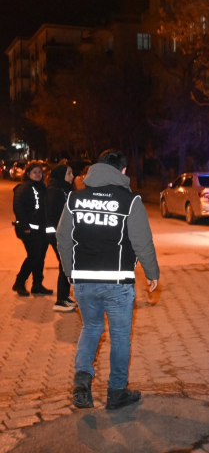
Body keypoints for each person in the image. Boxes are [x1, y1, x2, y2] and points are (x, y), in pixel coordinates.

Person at [57, 150, 159, 410]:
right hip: (117, 282)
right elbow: (142, 242)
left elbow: (63, 237)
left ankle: (82, 380)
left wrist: (70, 271)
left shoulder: (75, 198)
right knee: (120, 336)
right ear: (122, 171)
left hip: (83, 281)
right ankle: (116, 392)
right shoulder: (130, 201)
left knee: (91, 328)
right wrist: (152, 273)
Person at [12, 161, 53, 297]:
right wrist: (24, 226)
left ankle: (37, 285)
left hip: (42, 229)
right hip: (30, 229)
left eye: (40, 172)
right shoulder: (23, 188)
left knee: (40, 257)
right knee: (34, 256)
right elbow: (18, 207)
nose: (38, 174)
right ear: (28, 174)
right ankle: (19, 282)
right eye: (34, 172)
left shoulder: (42, 187)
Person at [46, 163, 77, 312]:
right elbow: (55, 215)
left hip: (64, 234)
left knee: (66, 264)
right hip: (58, 235)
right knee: (66, 264)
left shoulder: (65, 189)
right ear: (61, 175)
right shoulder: (54, 191)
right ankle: (60, 301)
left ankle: (64, 296)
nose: (73, 176)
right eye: (69, 173)